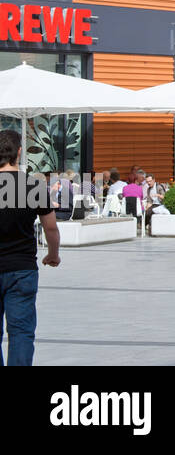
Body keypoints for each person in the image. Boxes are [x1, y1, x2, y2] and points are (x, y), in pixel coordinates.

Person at [0, 130, 60, 365]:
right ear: (19, 152)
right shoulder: (33, 186)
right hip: (22, 268)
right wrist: (53, 254)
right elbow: (51, 228)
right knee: (21, 333)